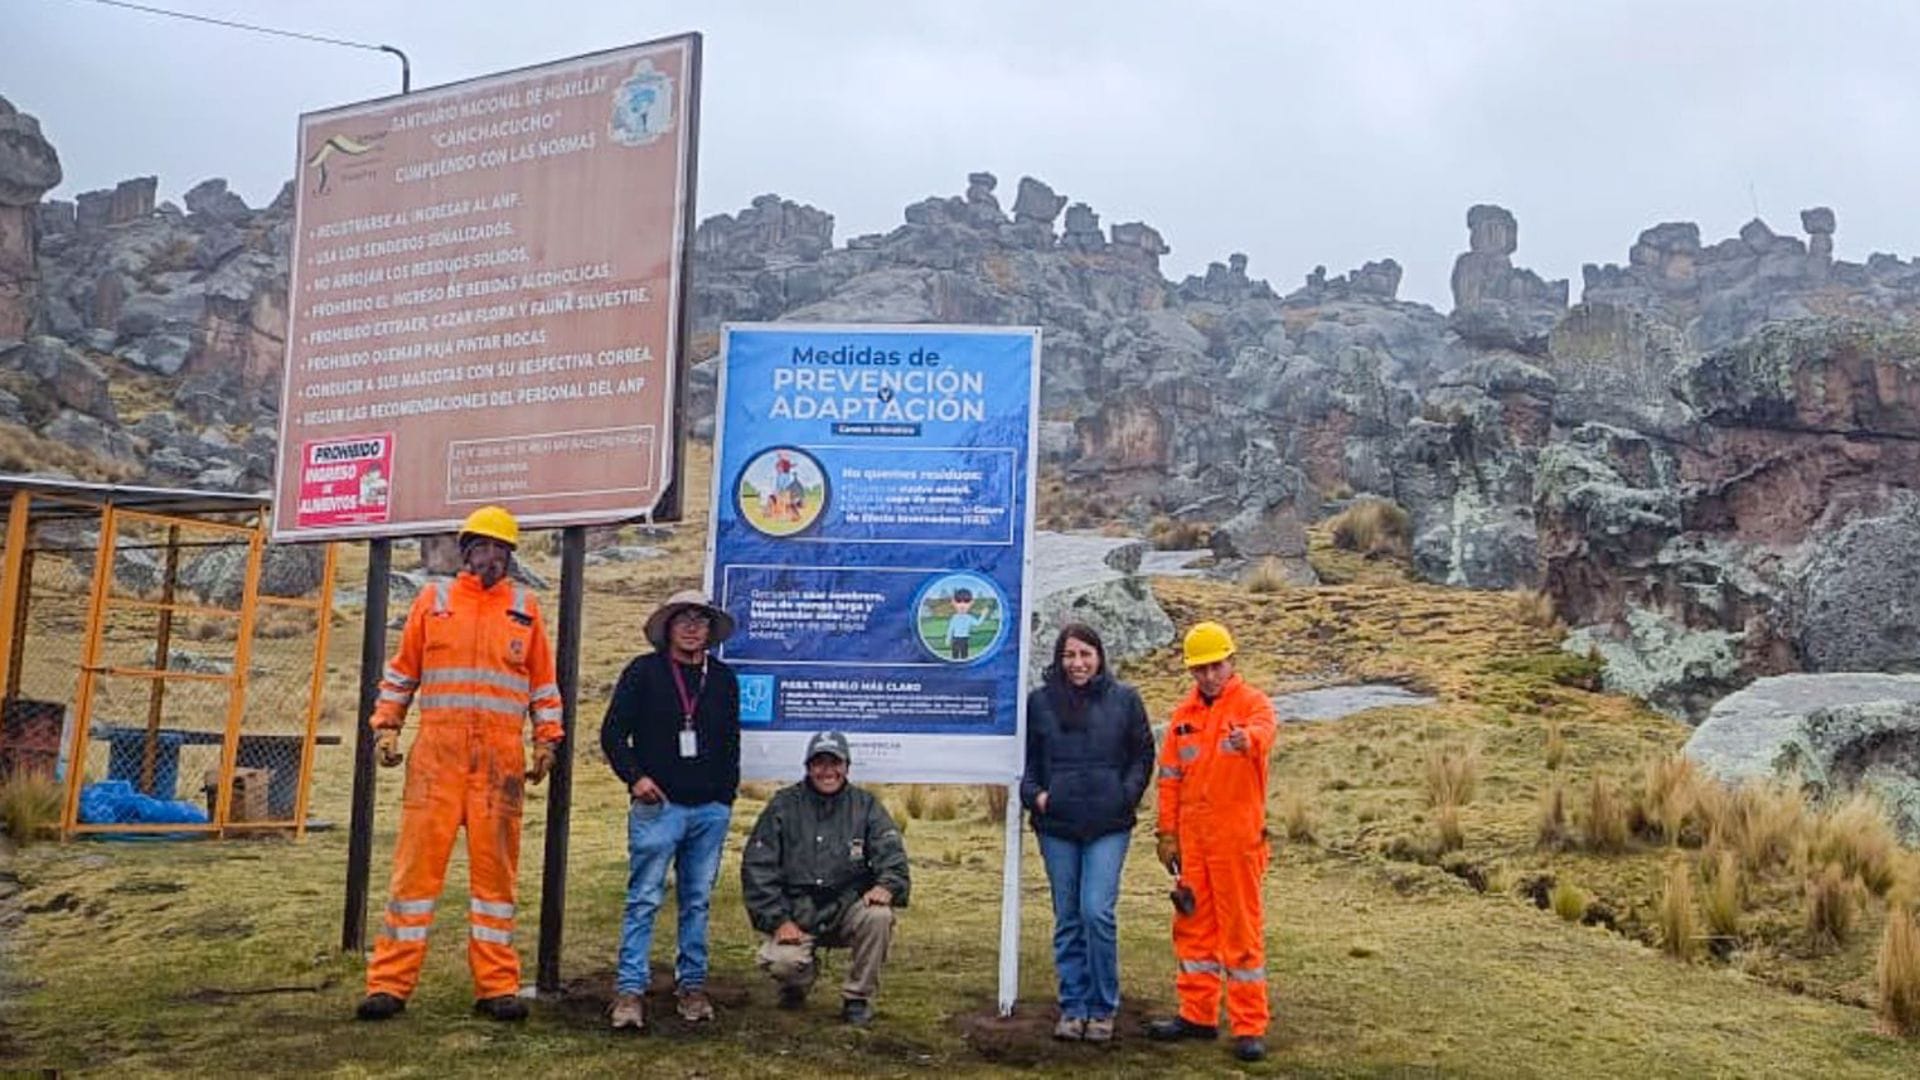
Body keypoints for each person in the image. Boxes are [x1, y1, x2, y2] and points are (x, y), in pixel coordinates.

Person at [356, 505, 563, 1023]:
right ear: (465, 550)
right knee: (414, 875)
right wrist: (386, 726)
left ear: (510, 556)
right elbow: (403, 672)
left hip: (500, 766)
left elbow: (543, 684)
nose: (491, 557)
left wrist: (547, 741)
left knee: (496, 882)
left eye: (500, 549)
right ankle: (389, 985)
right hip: (436, 760)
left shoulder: (525, 607)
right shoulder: (434, 599)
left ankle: (497, 987)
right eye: (482, 547)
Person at [600, 589, 743, 1032]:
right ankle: (629, 991)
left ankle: (693, 987)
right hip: (657, 806)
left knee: (697, 901)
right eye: (682, 618)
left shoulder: (722, 678)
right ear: (667, 627)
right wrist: (636, 779)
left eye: (699, 619)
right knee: (644, 898)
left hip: (709, 810)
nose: (691, 626)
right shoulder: (643, 672)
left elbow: (730, 741)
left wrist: (725, 795)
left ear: (710, 629)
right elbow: (612, 734)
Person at [1145, 621, 1278, 1063]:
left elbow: (1265, 732)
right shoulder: (1183, 719)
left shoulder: (1253, 704)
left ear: (1231, 662)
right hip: (1194, 846)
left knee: (1241, 934)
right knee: (1193, 931)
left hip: (1238, 843)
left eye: (1214, 666)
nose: (1207, 676)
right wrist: (1167, 835)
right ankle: (1197, 1015)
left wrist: (1248, 740)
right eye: (1199, 669)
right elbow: (1169, 781)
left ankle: (1248, 1026)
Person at [1020, 623, 1155, 1043]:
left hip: (1108, 825)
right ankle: (1073, 1006)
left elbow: (1143, 753)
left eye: (1085, 654)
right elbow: (1026, 763)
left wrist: (1125, 795)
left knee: (1096, 910)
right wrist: (1037, 797)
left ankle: (1102, 1007)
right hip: (1057, 826)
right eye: (1069, 655)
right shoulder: (1039, 703)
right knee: (1068, 917)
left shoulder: (1126, 700)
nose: (1077, 663)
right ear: (1059, 659)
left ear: (1099, 656)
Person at [741, 731, 910, 1026]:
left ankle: (857, 998)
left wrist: (887, 885)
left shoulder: (866, 805)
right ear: (807, 766)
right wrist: (778, 920)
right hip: (796, 912)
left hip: (848, 906)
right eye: (819, 763)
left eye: (835, 763)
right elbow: (758, 868)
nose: (827, 771)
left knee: (879, 917)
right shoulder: (783, 805)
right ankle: (797, 985)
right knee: (784, 964)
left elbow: (892, 853)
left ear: (847, 766)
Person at [945, 588, 978, 660]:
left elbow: (977, 623)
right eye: (958, 601)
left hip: (965, 639)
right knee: (955, 656)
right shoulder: (954, 617)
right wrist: (948, 639)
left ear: (971, 603)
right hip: (956, 639)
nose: (962, 605)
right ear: (953, 602)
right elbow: (950, 629)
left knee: (964, 655)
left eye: (966, 601)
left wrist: (983, 615)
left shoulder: (969, 617)